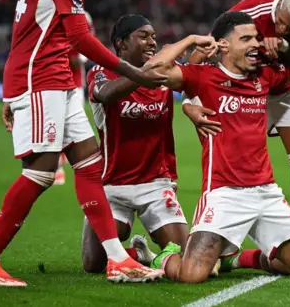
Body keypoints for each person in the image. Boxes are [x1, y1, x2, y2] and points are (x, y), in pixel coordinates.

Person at [0, 0, 166, 287]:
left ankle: (118, 259)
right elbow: (79, 37)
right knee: (41, 172)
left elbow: (28, 26)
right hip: (40, 78)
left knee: (89, 164)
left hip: (55, 77)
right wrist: (134, 73)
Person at [142, 11, 290, 283]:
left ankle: (238, 258)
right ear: (223, 45)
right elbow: (150, 70)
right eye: (246, 38)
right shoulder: (203, 77)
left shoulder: (264, 75)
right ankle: (162, 257)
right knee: (191, 276)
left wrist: (284, 46)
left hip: (266, 193)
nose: (255, 44)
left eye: (257, 38)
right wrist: (192, 39)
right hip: (224, 193)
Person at [183, 0, 290, 246]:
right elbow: (199, 57)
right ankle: (218, 244)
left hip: (287, 84)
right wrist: (189, 103)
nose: (280, 29)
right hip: (245, 89)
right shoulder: (249, 11)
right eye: (279, 22)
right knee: (226, 169)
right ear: (278, 7)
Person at [80, 14, 215, 273]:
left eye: (153, 36)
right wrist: (147, 71)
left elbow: (193, 77)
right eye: (143, 36)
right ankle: (134, 254)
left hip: (156, 183)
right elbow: (105, 94)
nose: (152, 42)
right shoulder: (101, 72)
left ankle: (147, 255)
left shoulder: (164, 71)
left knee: (184, 257)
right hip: (112, 185)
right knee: (93, 263)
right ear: (121, 44)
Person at [55, 12, 93, 186]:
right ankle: (58, 166)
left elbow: (85, 48)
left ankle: (71, 163)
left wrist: (74, 56)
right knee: (56, 123)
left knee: (72, 124)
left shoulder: (83, 17)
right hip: (52, 81)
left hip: (75, 82)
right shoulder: (52, 14)